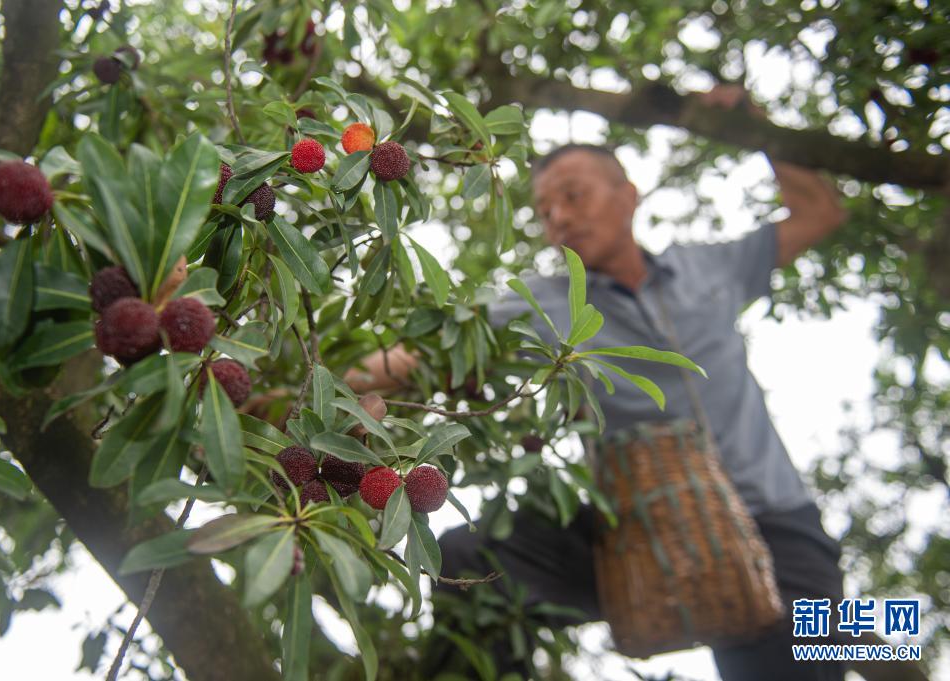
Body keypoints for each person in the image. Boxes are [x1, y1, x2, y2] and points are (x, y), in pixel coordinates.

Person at [346, 86, 850, 680]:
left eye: (574, 196)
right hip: (634, 528)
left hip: (776, 521)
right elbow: (411, 357)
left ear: (627, 197)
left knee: (816, 650)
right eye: (544, 209)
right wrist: (315, 391)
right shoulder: (539, 302)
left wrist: (749, 121)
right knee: (466, 556)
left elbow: (821, 212)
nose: (558, 217)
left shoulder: (707, 267)